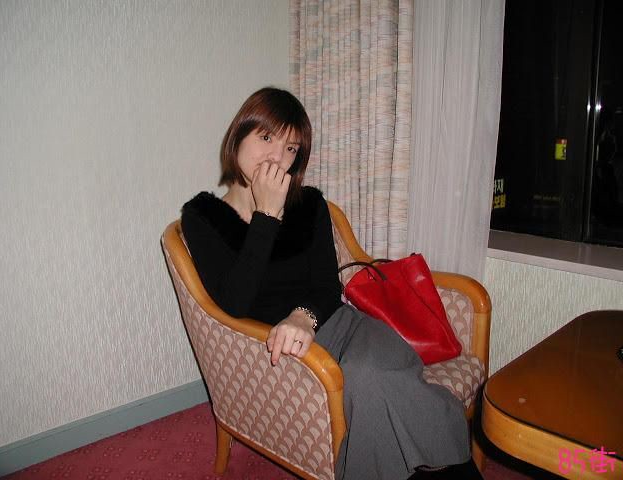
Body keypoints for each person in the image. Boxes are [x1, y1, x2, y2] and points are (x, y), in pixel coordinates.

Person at [181, 87, 482, 480]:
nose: (277, 156)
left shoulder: (309, 206)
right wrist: (266, 216)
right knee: (372, 383)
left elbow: (327, 286)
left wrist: (303, 317)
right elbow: (234, 303)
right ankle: (446, 436)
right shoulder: (202, 216)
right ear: (238, 137)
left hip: (346, 328)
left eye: (290, 148)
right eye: (266, 137)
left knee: (369, 375)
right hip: (283, 351)